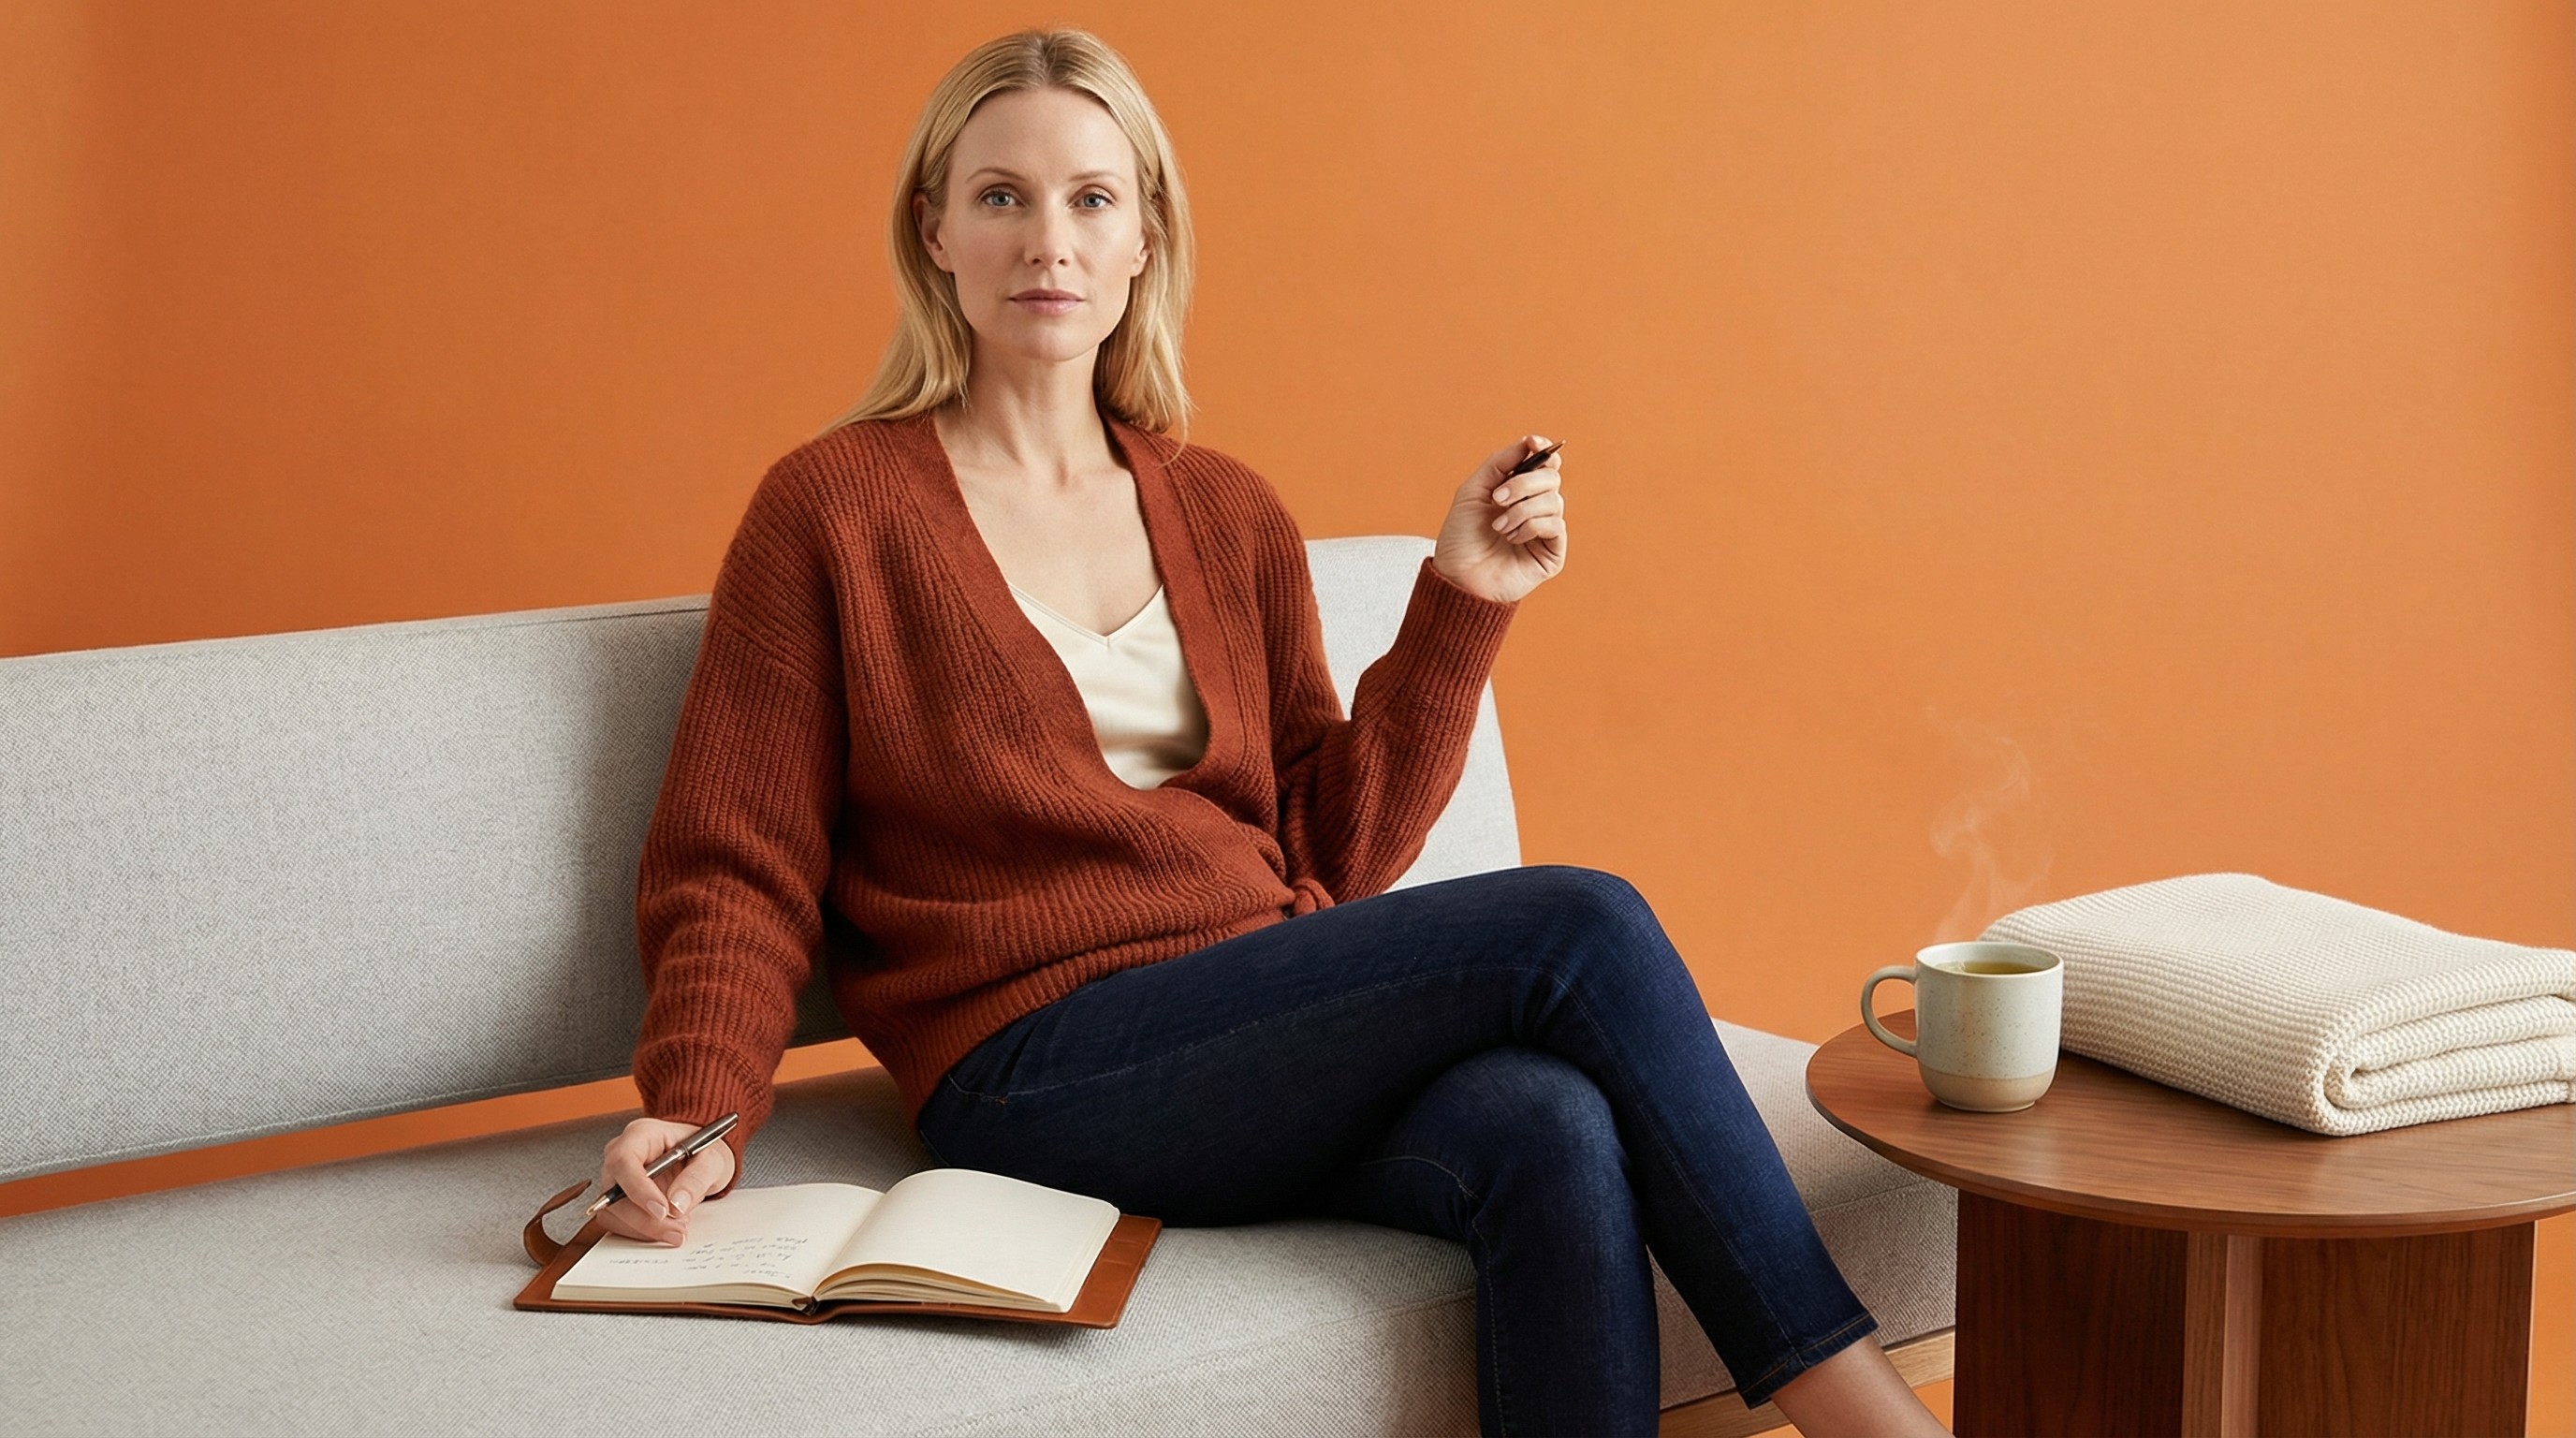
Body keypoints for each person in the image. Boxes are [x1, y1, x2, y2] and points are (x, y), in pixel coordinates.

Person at [590, 25, 1949, 1438]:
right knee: (1579, 925)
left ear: (1143, 238)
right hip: (1030, 1067)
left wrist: (1463, 605)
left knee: (1548, 1125)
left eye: (1091, 198)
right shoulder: (832, 512)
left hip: (1251, 1024)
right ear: (933, 230)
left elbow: (1332, 853)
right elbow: (735, 857)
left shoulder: (1228, 512)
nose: (1047, 239)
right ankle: (1867, 1414)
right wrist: (695, 1107)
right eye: (1001, 196)